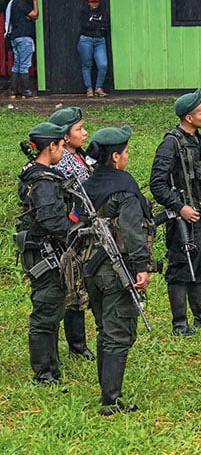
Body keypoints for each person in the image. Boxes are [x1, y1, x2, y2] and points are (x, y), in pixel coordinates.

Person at [73, 125, 156, 415]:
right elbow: (134, 233)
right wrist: (142, 268)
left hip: (90, 270)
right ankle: (112, 399)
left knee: (104, 330)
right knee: (118, 333)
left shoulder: (86, 185)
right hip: (115, 270)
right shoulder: (125, 187)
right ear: (116, 156)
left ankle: (107, 390)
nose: (128, 156)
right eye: (126, 152)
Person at [150, 89, 201, 336]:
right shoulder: (171, 144)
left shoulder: (199, 141)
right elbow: (157, 184)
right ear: (189, 117)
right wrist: (180, 207)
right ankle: (180, 322)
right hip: (182, 217)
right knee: (180, 266)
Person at [17, 120, 74, 384]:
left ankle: (52, 363)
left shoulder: (35, 173)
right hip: (44, 252)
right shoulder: (43, 181)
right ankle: (44, 372)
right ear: (51, 146)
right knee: (45, 311)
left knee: (52, 308)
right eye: (61, 145)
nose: (63, 150)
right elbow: (51, 220)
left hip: (42, 250)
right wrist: (74, 234)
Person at [49, 106, 94, 360]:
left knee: (80, 285)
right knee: (73, 286)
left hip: (85, 229)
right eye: (79, 129)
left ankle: (79, 343)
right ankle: (77, 345)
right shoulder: (63, 162)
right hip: (72, 231)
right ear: (64, 137)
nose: (85, 133)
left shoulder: (80, 155)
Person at [6, 0, 39, 98]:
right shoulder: (22, 4)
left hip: (15, 36)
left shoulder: (13, 4)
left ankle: (13, 90)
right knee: (24, 64)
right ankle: (26, 90)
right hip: (24, 37)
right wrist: (35, 1)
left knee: (17, 64)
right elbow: (35, 15)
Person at [78, 0, 110, 97]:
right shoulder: (84, 12)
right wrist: (98, 25)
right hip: (86, 39)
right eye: (92, 2)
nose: (94, 4)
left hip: (100, 40)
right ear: (89, 2)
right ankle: (89, 89)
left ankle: (98, 88)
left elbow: (106, 25)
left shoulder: (103, 12)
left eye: (96, 2)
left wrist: (93, 24)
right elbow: (85, 25)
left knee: (103, 65)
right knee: (87, 65)